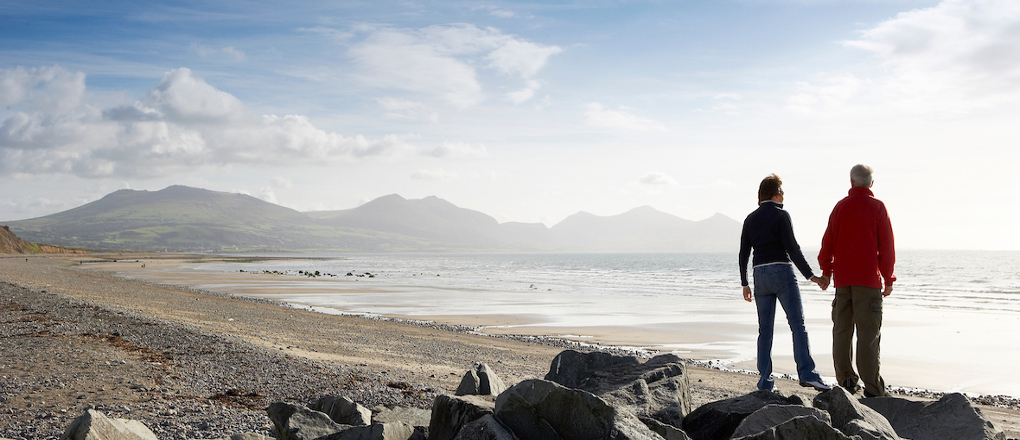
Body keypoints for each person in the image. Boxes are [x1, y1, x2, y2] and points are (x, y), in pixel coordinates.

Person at [739, 174, 830, 392]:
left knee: (765, 329)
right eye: (782, 191)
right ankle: (807, 373)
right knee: (797, 324)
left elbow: (744, 253)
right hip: (781, 271)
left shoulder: (750, 219)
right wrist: (812, 276)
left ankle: (765, 381)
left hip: (759, 275)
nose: (783, 196)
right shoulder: (781, 215)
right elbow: (792, 248)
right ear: (775, 193)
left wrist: (744, 283)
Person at [817, 164, 896, 397]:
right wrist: (888, 277)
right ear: (871, 183)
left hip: (843, 282)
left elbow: (827, 244)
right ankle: (873, 387)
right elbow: (887, 247)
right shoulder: (878, 207)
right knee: (868, 335)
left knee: (842, 331)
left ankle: (847, 382)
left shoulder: (840, 207)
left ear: (851, 182)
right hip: (868, 282)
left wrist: (826, 272)